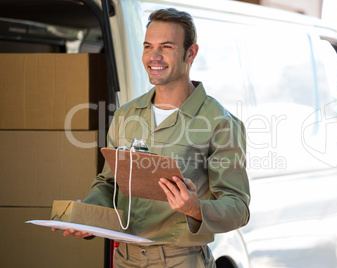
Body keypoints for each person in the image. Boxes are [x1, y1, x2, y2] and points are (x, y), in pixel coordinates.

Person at [55, 8, 250, 267]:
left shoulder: (220, 122)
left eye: (166, 47)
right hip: (125, 258)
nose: (154, 56)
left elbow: (238, 207)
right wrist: (87, 217)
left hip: (181, 260)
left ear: (190, 53)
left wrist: (195, 208)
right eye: (148, 46)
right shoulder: (125, 115)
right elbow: (107, 184)